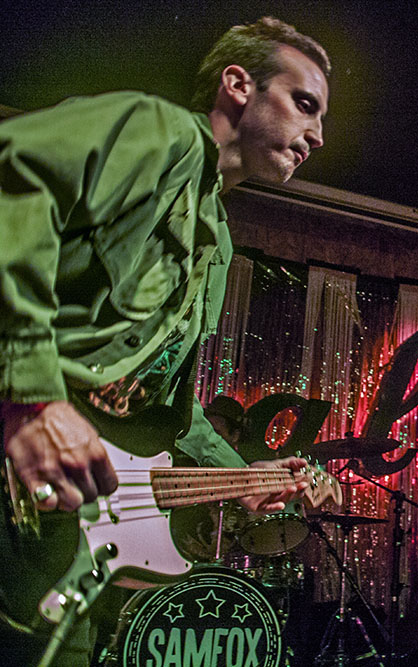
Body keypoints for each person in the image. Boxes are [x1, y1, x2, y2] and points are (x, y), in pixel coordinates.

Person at [0, 17, 330, 665]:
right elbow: (15, 171)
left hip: (60, 521)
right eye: (305, 103)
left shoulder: (217, 236)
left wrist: (240, 477)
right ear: (239, 85)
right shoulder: (161, 133)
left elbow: (157, 406)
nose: (318, 135)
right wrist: (31, 398)